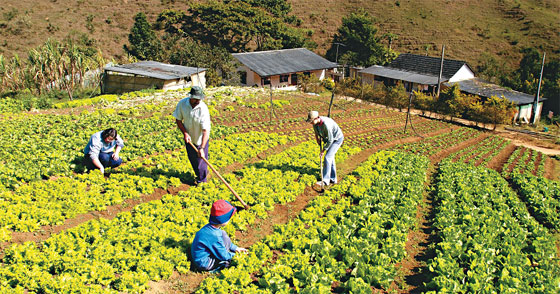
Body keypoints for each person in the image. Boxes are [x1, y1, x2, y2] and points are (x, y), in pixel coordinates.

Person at [191, 199, 248, 272]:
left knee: (223, 233)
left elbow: (222, 239)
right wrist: (236, 256)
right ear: (223, 220)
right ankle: (217, 268)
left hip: (202, 256)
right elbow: (223, 255)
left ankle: (228, 252)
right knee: (226, 262)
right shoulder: (214, 236)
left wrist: (236, 249)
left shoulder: (210, 228)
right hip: (204, 262)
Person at [173, 86, 211, 185]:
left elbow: (205, 131)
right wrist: (185, 133)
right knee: (193, 159)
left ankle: (202, 181)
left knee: (201, 162)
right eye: (195, 99)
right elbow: (178, 119)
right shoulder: (182, 104)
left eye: (199, 99)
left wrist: (202, 148)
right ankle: (200, 175)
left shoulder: (203, 109)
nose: (197, 101)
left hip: (200, 139)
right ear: (190, 97)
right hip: (189, 138)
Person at [307, 110, 344, 187]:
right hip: (329, 139)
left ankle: (325, 181)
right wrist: (317, 139)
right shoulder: (315, 124)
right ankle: (333, 179)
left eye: (311, 121)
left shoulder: (326, 124)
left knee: (327, 157)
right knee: (331, 158)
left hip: (336, 139)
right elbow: (316, 132)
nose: (310, 123)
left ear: (316, 118)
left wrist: (323, 151)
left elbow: (330, 140)